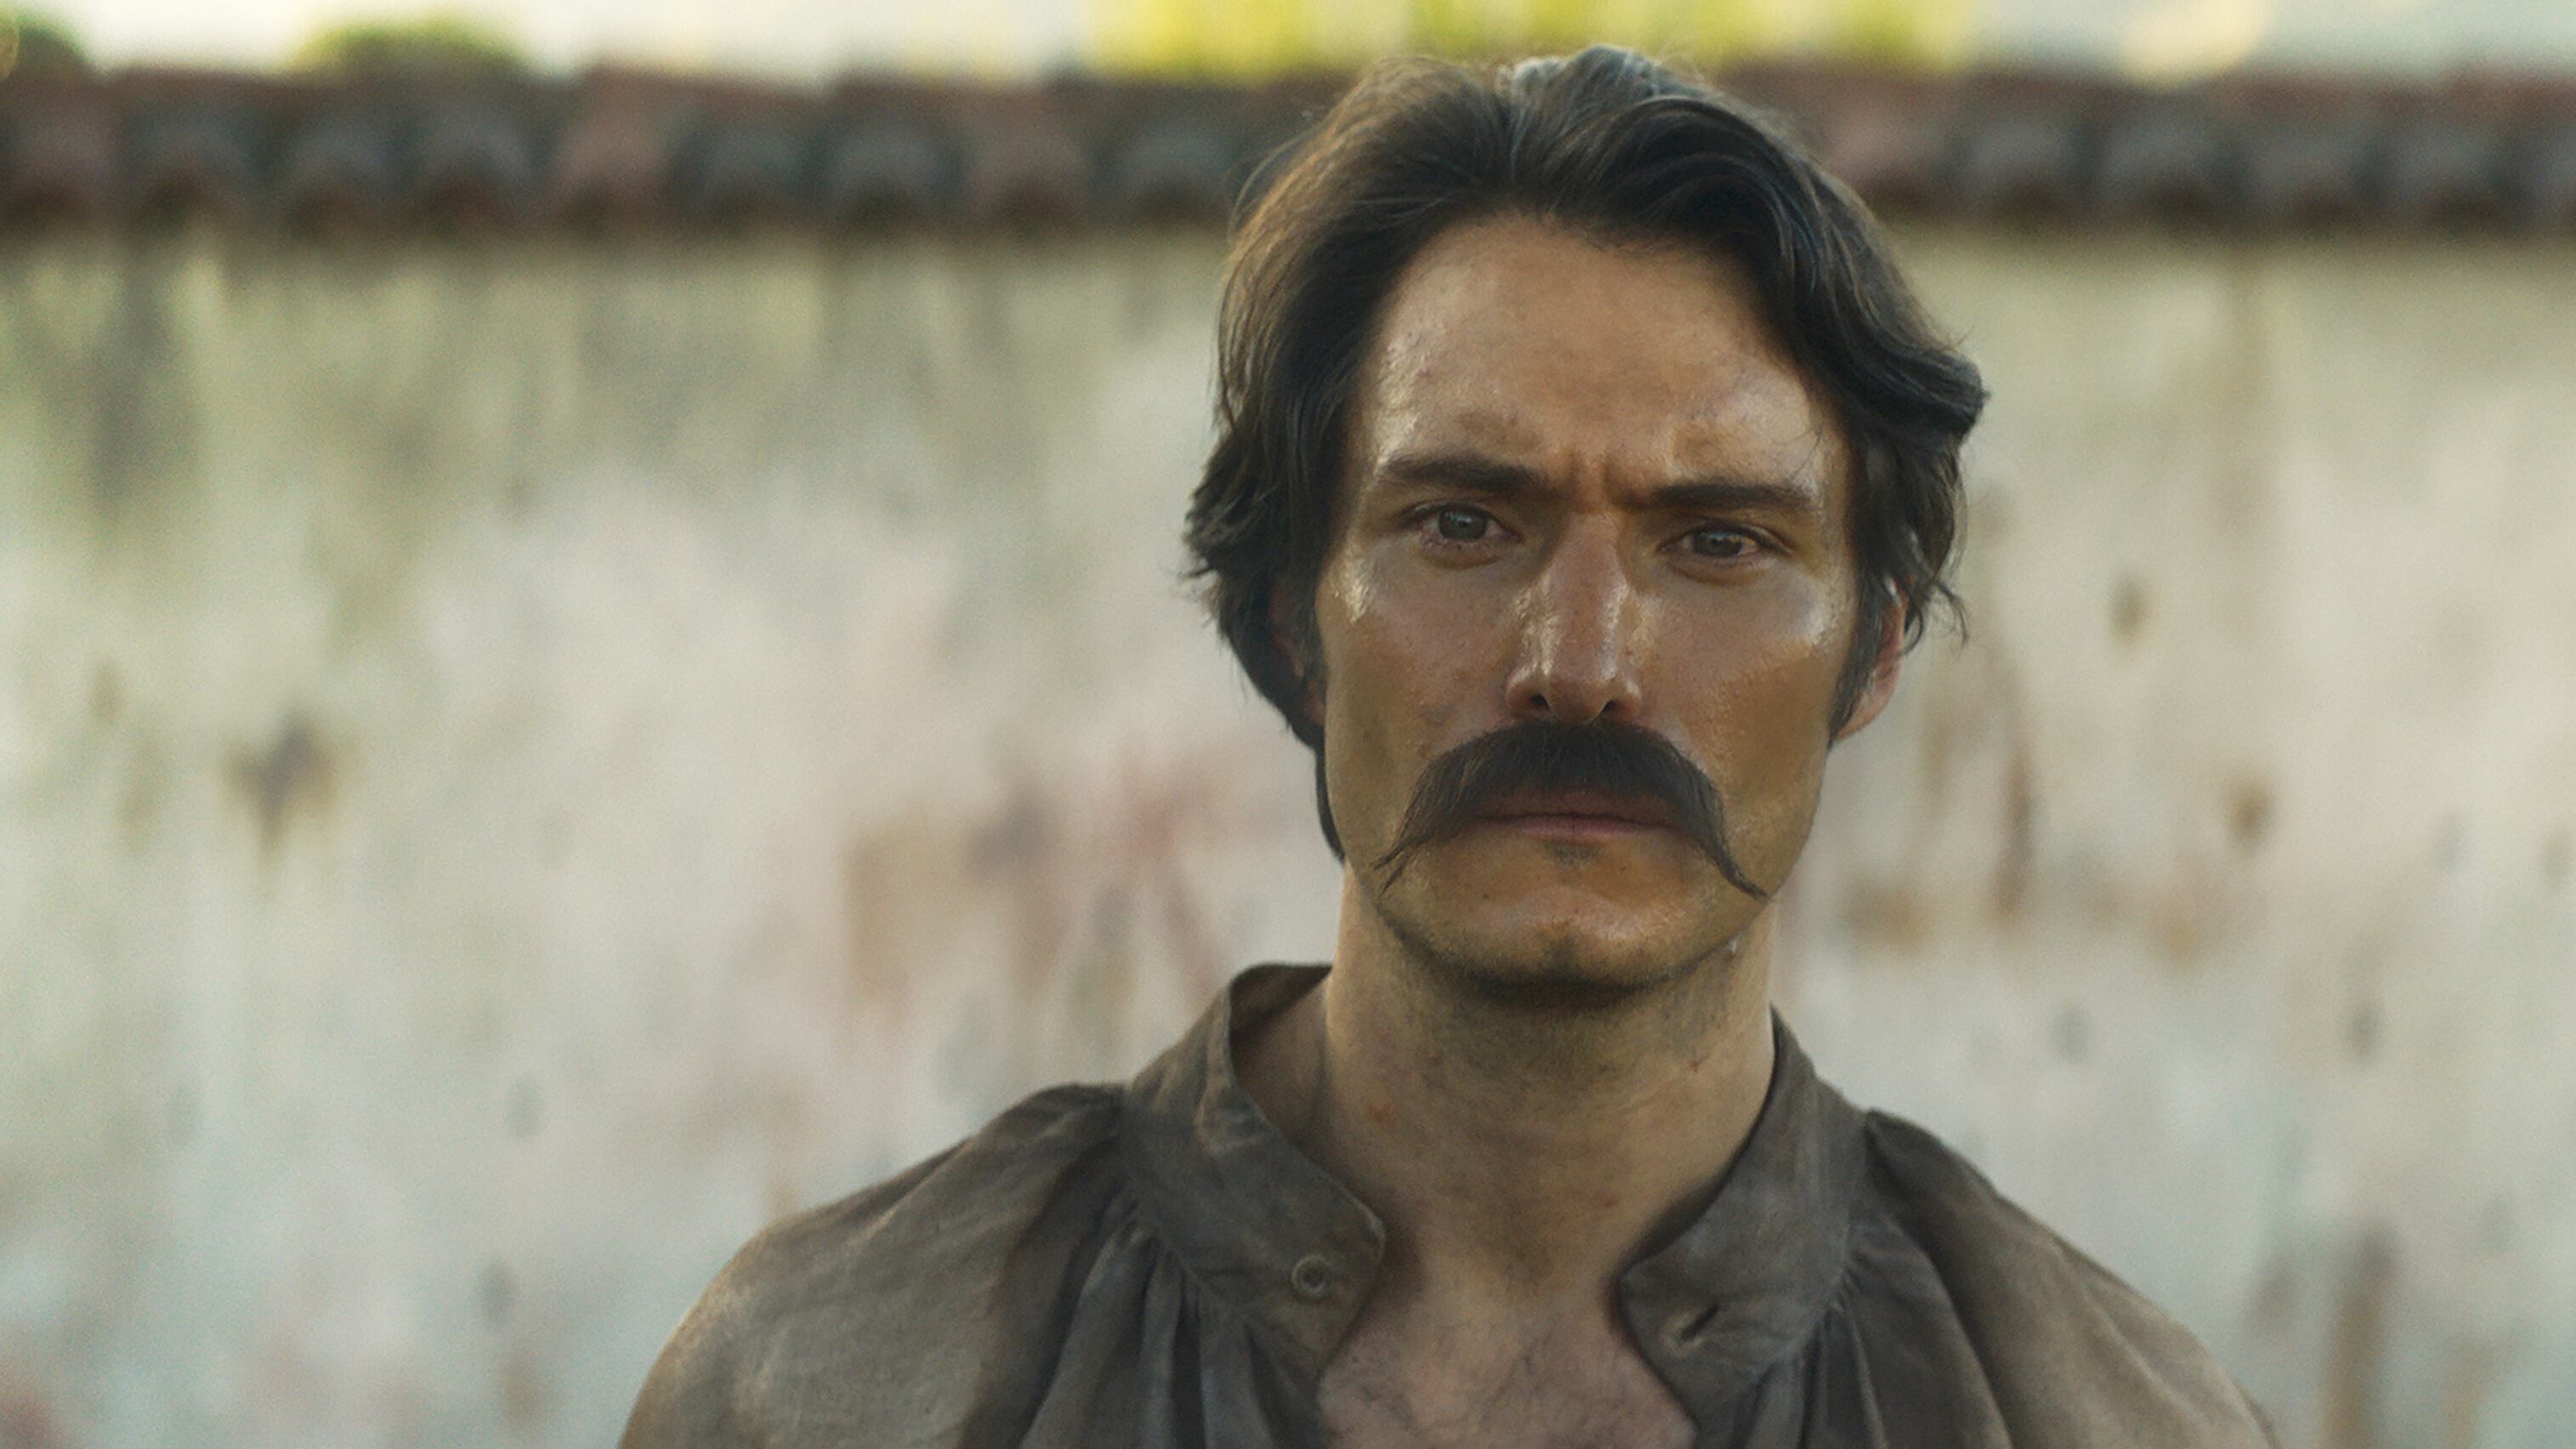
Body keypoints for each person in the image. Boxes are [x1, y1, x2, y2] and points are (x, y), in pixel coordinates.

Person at [621, 46, 2276, 1448]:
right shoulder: (838, 1382)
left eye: (1718, 543)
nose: (1582, 668)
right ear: (1290, 619)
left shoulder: (2103, 1414)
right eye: (1467, 522)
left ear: (1875, 651)